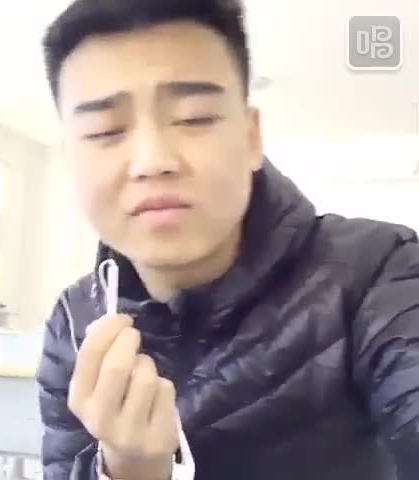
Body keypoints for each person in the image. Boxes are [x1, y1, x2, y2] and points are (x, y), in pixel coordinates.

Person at [36, 1, 419, 479]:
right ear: (70, 159)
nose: (153, 160)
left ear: (252, 137)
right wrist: (128, 470)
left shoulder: (378, 271)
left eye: (194, 118)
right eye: (105, 130)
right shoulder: (74, 321)